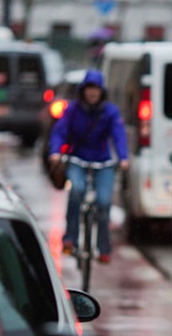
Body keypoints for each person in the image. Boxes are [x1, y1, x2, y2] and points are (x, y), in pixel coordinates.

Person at [48, 69, 128, 264]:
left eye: (96, 89)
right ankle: (70, 239)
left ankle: (103, 248)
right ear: (83, 91)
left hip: (103, 162)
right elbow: (60, 130)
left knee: (103, 202)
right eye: (89, 89)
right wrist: (55, 151)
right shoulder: (73, 110)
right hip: (78, 160)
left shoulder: (110, 112)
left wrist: (123, 157)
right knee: (77, 190)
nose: (92, 93)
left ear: (102, 92)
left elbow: (118, 135)